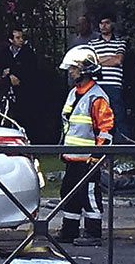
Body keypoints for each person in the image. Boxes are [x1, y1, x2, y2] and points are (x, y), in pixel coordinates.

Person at [56, 46, 113, 247]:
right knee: (69, 193)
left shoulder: (97, 97)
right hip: (73, 157)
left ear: (85, 69)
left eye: (73, 68)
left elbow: (105, 130)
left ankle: (93, 232)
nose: (70, 72)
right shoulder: (74, 93)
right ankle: (69, 231)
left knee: (89, 196)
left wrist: (98, 156)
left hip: (89, 159)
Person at [87, 12, 129, 140]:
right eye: (102, 23)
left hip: (114, 85)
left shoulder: (120, 42)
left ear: (112, 25)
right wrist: (108, 59)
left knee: (118, 115)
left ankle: (123, 145)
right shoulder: (92, 44)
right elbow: (91, 62)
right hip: (97, 85)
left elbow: (118, 60)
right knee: (97, 116)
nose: (104, 26)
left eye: (107, 23)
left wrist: (99, 60)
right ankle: (100, 142)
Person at [0, 28, 38, 138]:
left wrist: (11, 71)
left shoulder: (28, 53)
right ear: (11, 40)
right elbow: (1, 69)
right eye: (17, 38)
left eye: (22, 38)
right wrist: (9, 75)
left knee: (24, 116)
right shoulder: (4, 53)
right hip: (7, 91)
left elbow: (30, 70)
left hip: (24, 91)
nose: (21, 40)